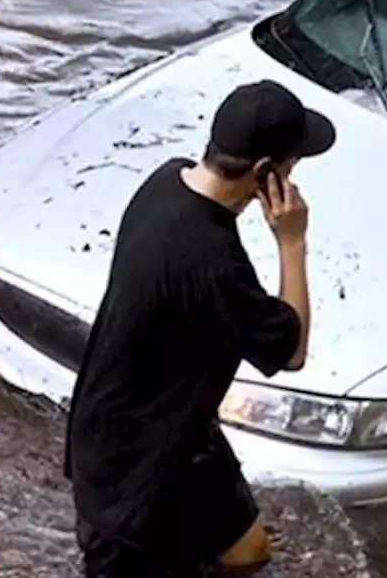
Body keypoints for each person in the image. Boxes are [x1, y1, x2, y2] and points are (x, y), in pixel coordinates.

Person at [63, 79, 337, 577]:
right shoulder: (211, 259)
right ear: (265, 173)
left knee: (247, 552)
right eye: (293, 165)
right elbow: (291, 351)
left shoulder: (165, 182)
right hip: (134, 470)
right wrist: (292, 242)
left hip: (169, 431)